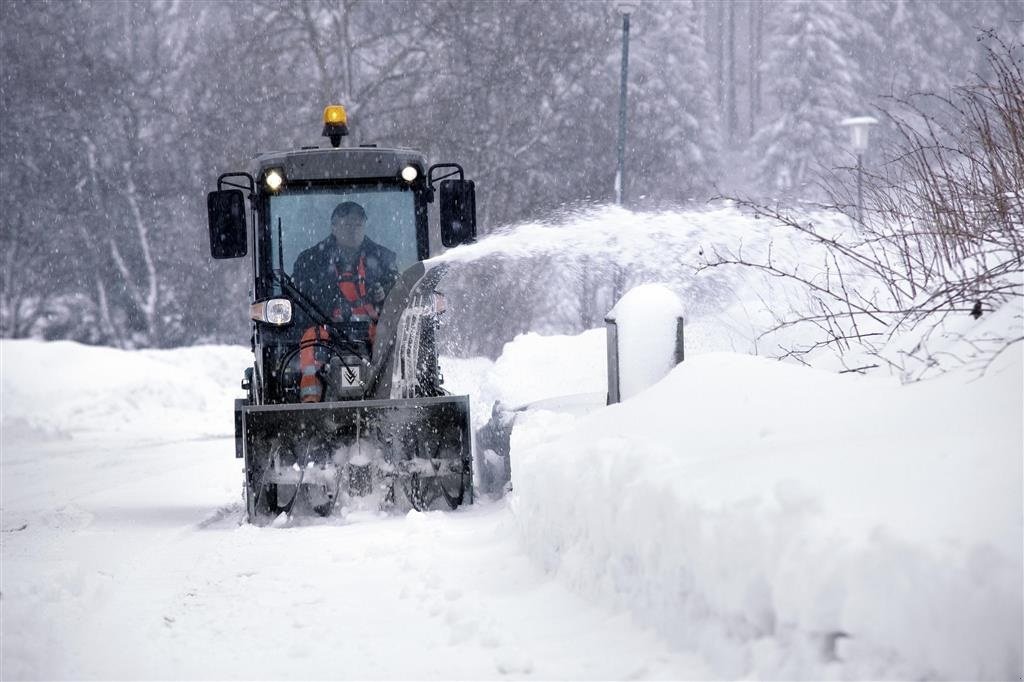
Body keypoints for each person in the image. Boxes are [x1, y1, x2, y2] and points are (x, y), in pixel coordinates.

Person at [292, 201, 399, 401]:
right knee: (310, 342)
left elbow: (397, 294)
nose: (353, 230)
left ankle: (391, 396)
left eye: (358, 225)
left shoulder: (384, 259)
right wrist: (330, 304)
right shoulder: (311, 261)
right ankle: (310, 402)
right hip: (327, 328)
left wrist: (382, 296)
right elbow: (303, 298)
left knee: (392, 342)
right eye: (347, 225)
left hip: (371, 327)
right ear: (334, 227)